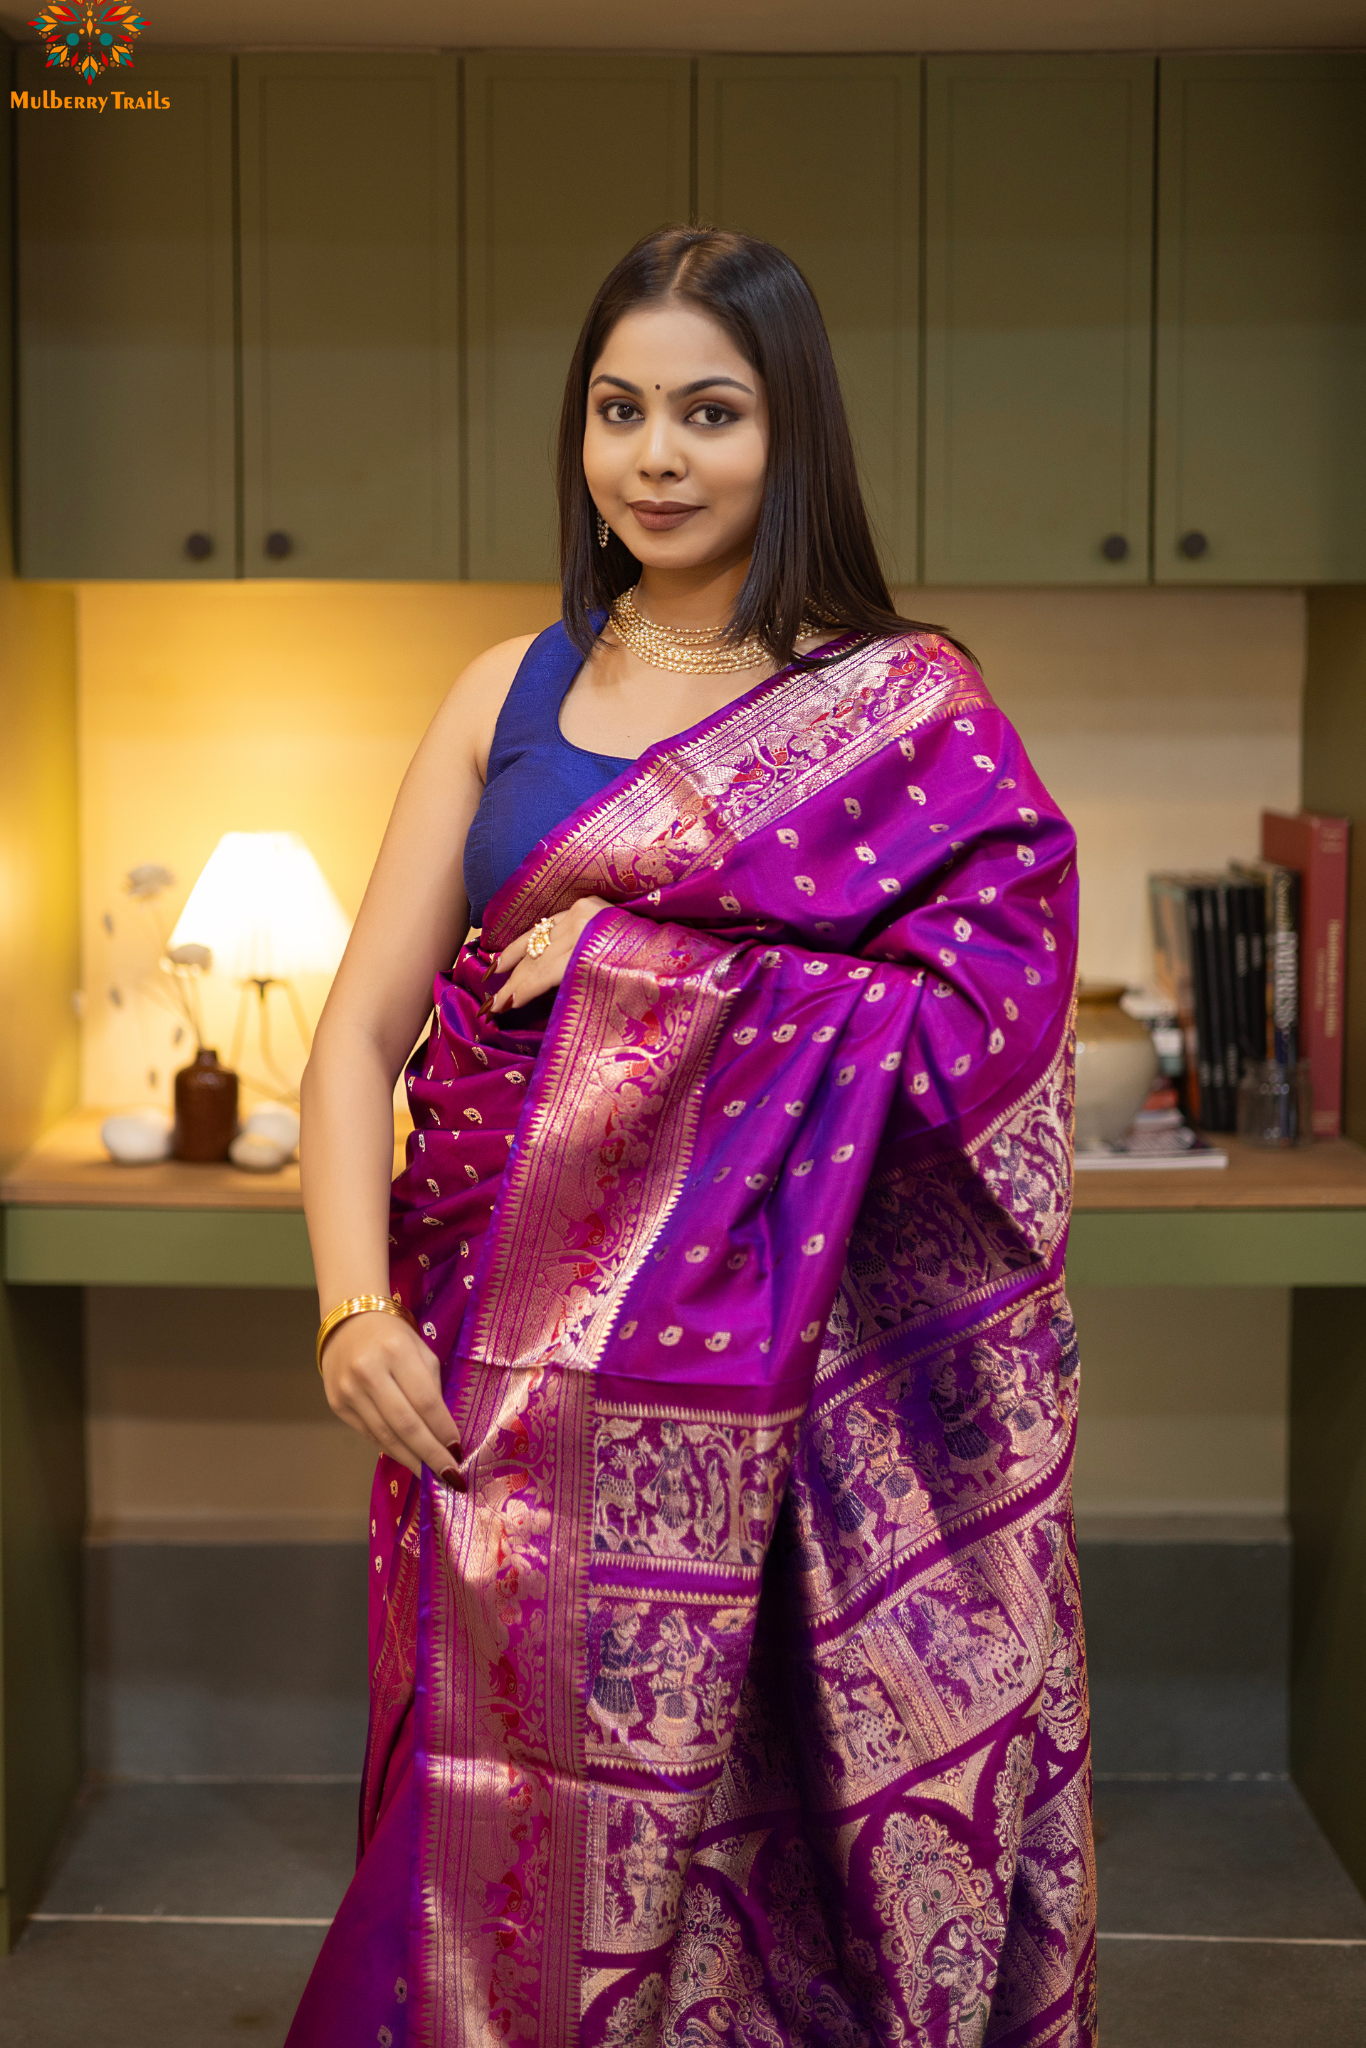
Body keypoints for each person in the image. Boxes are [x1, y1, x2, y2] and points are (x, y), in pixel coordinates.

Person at [289, 224, 1095, 2048]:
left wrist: (659, 970)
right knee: (482, 1835)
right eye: (618, 409)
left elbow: (995, 1031)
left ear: (787, 430)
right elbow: (357, 1034)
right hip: (493, 1377)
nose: (655, 456)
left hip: (793, 1402)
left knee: (775, 1858)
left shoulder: (903, 711)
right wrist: (350, 1307)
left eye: (709, 412)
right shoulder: (504, 690)